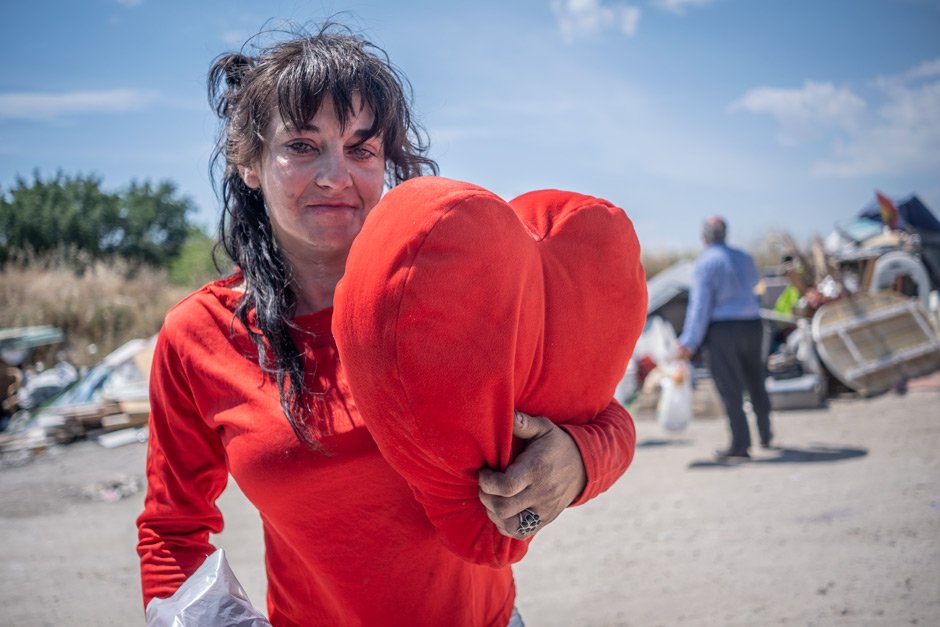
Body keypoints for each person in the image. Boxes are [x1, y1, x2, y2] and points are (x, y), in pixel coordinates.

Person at [136, 24, 637, 627]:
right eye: (302, 145)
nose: (334, 175)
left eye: (361, 149)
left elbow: (603, 415)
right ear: (248, 162)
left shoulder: (451, 297)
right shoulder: (200, 335)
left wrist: (578, 463)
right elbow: (171, 531)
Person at [676, 216, 773, 460]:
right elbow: (756, 287)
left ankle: (740, 444)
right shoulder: (745, 257)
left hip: (723, 331)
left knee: (730, 388)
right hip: (753, 325)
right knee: (756, 380)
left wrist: (689, 342)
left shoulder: (705, 263)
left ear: (705, 236)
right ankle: (766, 433)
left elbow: (699, 307)